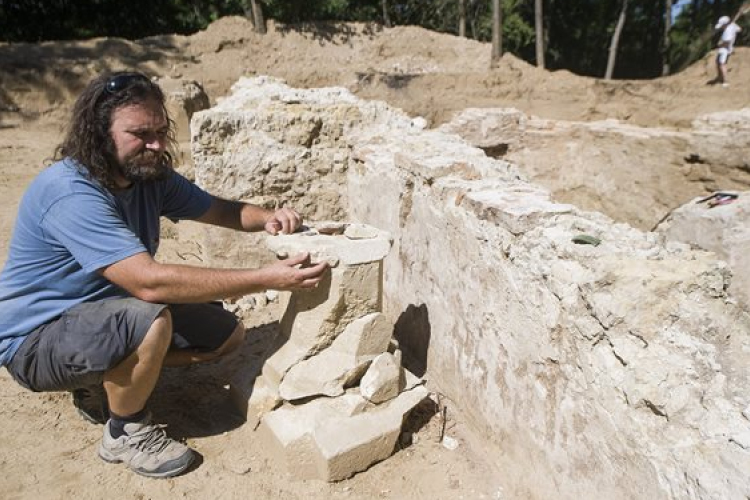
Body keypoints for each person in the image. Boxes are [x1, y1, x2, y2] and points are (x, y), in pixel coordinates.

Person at [0, 71, 329, 478]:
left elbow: (220, 210)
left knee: (225, 335)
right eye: (140, 133)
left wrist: (270, 218)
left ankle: (105, 383)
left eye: (160, 130)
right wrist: (266, 277)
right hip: (36, 339)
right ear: (100, 133)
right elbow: (148, 282)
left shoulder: (148, 175)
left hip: (105, 309)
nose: (155, 144)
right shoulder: (70, 192)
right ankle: (125, 432)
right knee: (149, 320)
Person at [714, 7, 747, 87]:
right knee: (718, 62)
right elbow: (740, 29)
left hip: (724, 49)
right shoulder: (732, 26)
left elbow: (727, 42)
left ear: (725, 24)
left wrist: (719, 44)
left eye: (722, 25)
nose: (721, 27)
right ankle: (719, 77)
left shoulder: (727, 31)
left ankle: (725, 82)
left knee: (722, 64)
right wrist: (733, 25)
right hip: (726, 49)